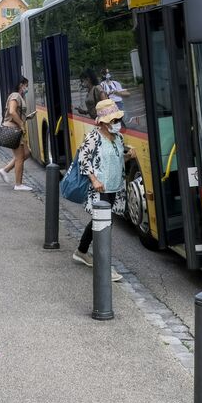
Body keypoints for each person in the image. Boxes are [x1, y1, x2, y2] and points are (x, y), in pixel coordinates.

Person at [71, 99, 133, 282]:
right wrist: (94, 180)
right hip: (100, 188)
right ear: (105, 122)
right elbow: (83, 160)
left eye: (118, 119)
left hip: (114, 187)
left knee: (99, 223)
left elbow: (116, 159)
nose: (118, 123)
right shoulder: (94, 137)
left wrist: (128, 156)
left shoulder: (118, 138)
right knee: (104, 225)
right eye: (115, 120)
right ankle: (104, 267)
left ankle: (81, 251)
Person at [0, 76, 32, 191]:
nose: (27, 88)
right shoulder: (15, 96)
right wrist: (21, 123)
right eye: (26, 85)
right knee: (20, 157)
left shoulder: (18, 96)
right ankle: (18, 184)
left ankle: (5, 170)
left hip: (17, 129)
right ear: (21, 85)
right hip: (14, 130)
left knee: (26, 153)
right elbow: (12, 111)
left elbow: (16, 112)